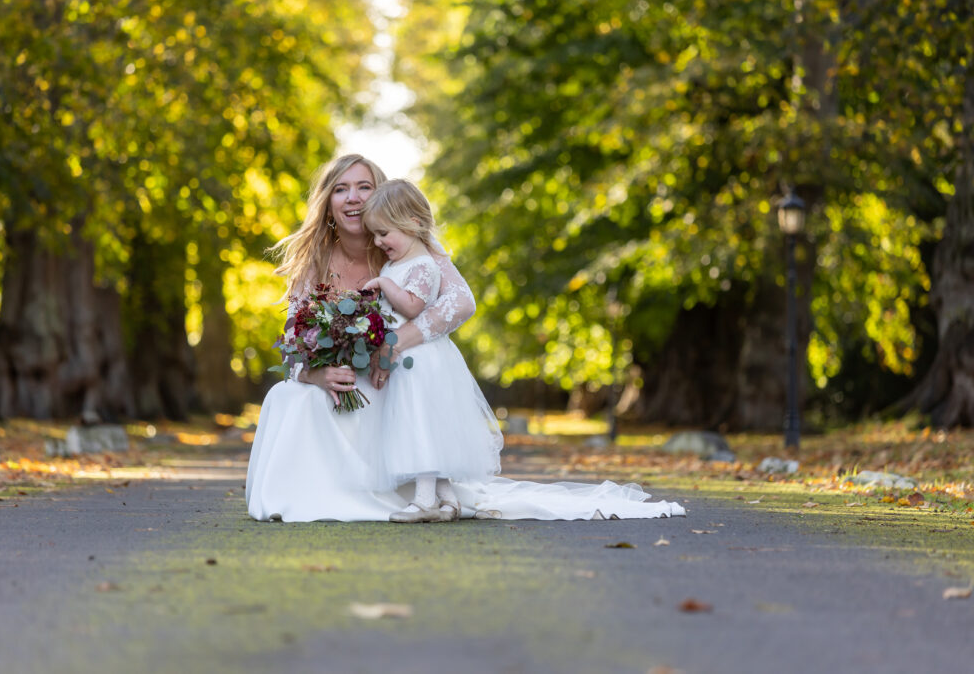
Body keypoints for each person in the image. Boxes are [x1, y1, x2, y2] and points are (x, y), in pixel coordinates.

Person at [244, 154, 685, 522]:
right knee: (288, 397)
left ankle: (418, 488)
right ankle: (316, 491)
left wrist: (393, 344)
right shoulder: (314, 262)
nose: (353, 197)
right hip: (346, 380)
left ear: (380, 196)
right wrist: (317, 374)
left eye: (363, 186)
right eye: (341, 188)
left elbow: (460, 301)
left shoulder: (405, 245)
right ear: (327, 201)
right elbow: (293, 339)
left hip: (394, 378)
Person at [360, 180, 502, 523]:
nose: (378, 242)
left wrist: (382, 285)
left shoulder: (424, 265)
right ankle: (448, 500)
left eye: (383, 233)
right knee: (420, 425)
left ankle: (424, 502)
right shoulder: (396, 264)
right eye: (374, 235)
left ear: (413, 223)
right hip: (410, 361)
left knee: (421, 426)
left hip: (422, 361)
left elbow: (411, 307)